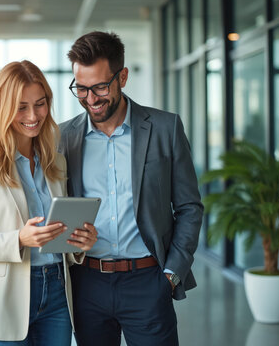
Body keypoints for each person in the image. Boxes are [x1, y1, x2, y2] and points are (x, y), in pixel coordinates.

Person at [58, 31, 203, 346]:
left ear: (122, 77)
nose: (91, 99)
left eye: (100, 86)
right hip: (87, 283)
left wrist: (171, 274)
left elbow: (189, 206)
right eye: (80, 88)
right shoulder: (63, 138)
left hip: (149, 281)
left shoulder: (165, 128)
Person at [0, 60, 98, 346]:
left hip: (57, 291)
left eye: (40, 103)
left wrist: (80, 244)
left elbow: (59, 235)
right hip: (4, 297)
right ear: (4, 108)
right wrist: (19, 239)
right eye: (21, 107)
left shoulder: (55, 161)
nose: (33, 115)